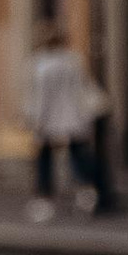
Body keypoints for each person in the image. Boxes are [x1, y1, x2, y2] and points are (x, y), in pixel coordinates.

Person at [26, 26, 108, 220]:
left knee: (45, 160)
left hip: (49, 120)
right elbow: (84, 87)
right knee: (78, 156)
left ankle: (44, 201)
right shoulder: (73, 60)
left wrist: (35, 119)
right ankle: (86, 196)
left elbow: (40, 98)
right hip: (74, 117)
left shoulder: (40, 64)